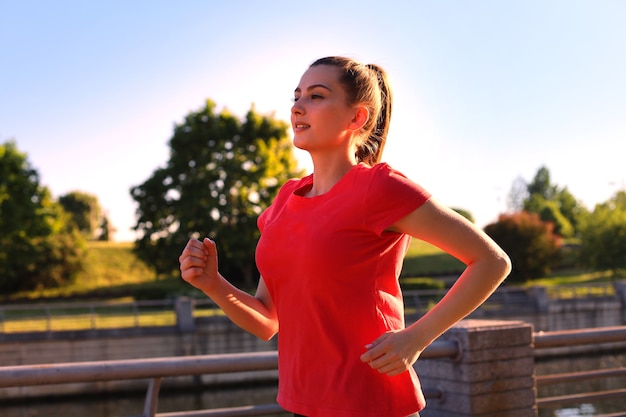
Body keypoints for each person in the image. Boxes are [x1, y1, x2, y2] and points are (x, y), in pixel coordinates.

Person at [179, 56, 512, 417]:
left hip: (372, 403)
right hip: (302, 404)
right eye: (296, 96)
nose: (297, 107)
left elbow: (492, 262)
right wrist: (213, 284)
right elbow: (267, 322)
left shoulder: (379, 188)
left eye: (316, 96)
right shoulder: (282, 203)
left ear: (357, 118)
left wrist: (416, 338)